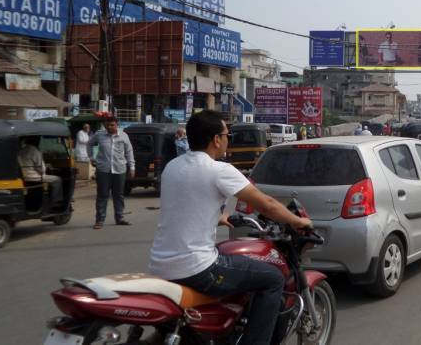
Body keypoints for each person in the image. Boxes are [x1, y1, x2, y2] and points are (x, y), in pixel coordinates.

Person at [148, 110, 312, 345]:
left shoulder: (172, 167)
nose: (228, 140)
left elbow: (185, 208)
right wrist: (298, 221)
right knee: (274, 278)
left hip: (160, 264)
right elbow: (266, 205)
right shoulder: (219, 170)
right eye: (228, 135)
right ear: (216, 139)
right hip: (197, 268)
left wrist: (219, 217)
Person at [88, 116, 135, 229]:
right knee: (102, 195)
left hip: (120, 170)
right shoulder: (99, 135)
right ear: (105, 125)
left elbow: (129, 152)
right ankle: (99, 220)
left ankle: (119, 218)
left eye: (112, 125)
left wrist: (132, 167)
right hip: (103, 170)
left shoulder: (124, 136)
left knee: (119, 195)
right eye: (107, 125)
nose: (110, 127)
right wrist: (92, 158)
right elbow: (89, 144)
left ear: (116, 125)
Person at [18, 137, 63, 203]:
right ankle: (55, 201)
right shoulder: (34, 151)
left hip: (24, 176)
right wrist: (46, 167)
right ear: (37, 142)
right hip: (34, 177)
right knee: (57, 179)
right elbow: (41, 169)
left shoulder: (21, 150)